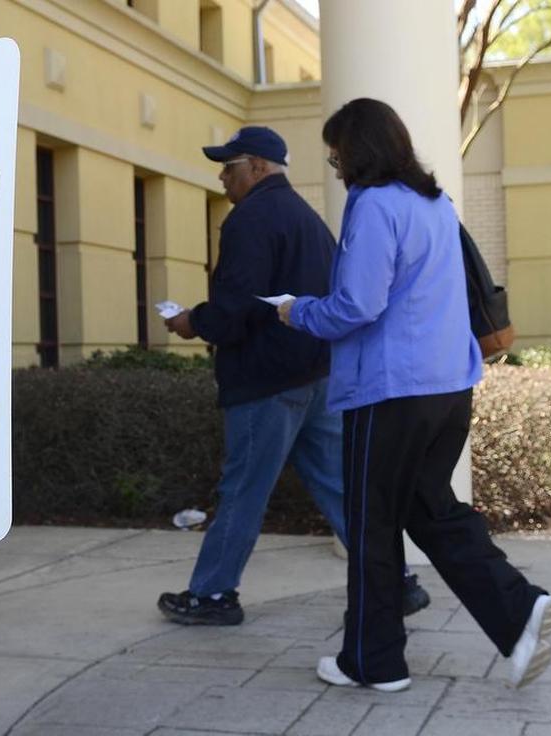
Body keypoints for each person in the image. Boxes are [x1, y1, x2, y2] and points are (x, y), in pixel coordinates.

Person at [279, 99, 551, 691]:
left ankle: (372, 662)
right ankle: (518, 610)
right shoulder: (434, 203)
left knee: (371, 525)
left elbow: (357, 305)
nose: (334, 163)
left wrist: (295, 312)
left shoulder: (375, 205)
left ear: (358, 149)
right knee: (428, 508)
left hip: (389, 393)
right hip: (448, 387)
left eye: (336, 152)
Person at [157, 126, 430, 626]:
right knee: (340, 486)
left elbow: (235, 307)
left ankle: (213, 596)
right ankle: (396, 580)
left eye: (229, 166)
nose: (222, 176)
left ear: (259, 167)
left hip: (265, 382)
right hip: (316, 373)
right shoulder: (307, 218)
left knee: (243, 488)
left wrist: (193, 321)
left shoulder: (249, 220)